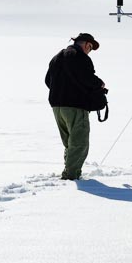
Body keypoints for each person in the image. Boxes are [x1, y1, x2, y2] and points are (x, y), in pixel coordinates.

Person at [45, 33, 106, 180]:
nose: (89, 51)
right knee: (79, 143)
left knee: (69, 143)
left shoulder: (57, 57)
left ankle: (69, 172)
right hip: (75, 106)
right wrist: (100, 84)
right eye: (90, 48)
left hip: (57, 106)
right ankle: (71, 176)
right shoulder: (81, 58)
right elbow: (87, 78)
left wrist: (60, 91)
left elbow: (48, 80)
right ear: (86, 44)